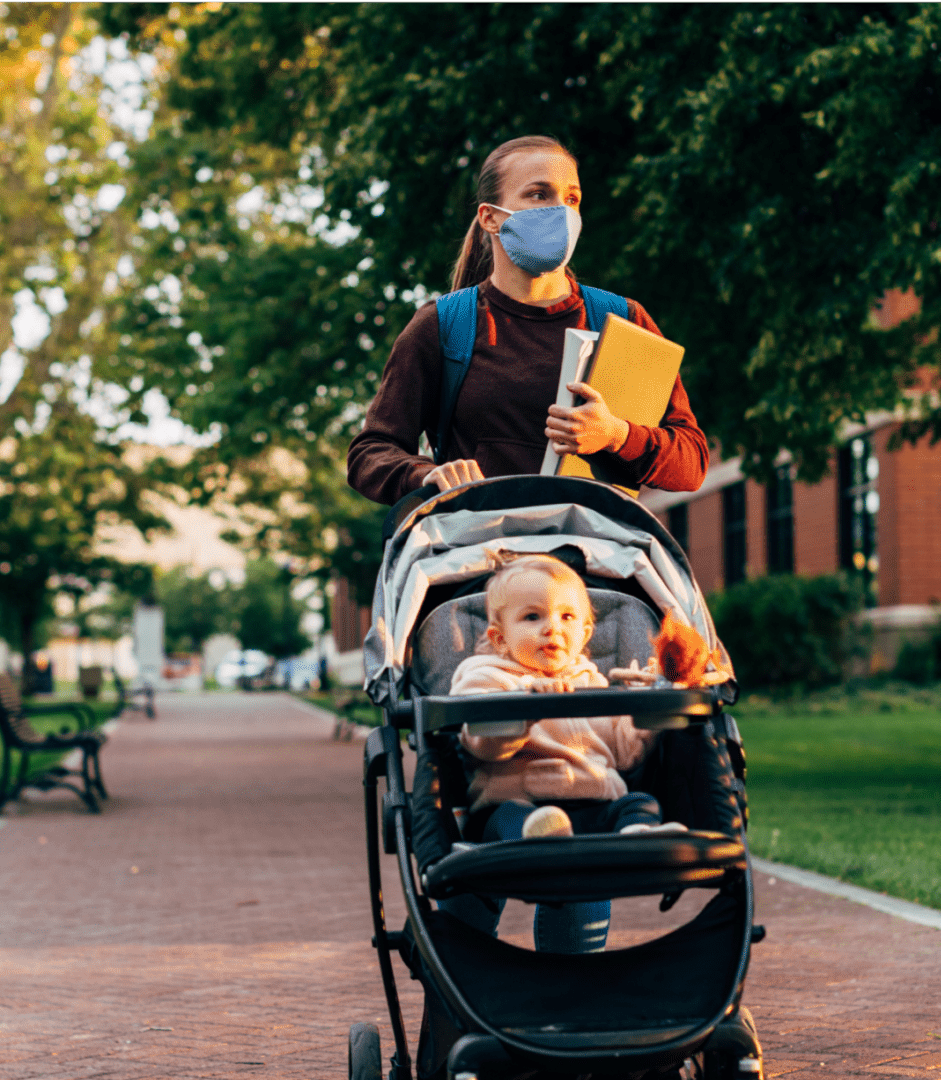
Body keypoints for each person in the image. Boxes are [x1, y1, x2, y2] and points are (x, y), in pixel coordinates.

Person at [347, 134, 709, 505]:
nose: (562, 212)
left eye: (571, 199)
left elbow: (692, 463)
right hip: (479, 545)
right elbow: (369, 453)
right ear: (490, 217)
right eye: (539, 195)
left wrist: (617, 434)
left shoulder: (623, 320)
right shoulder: (443, 326)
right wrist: (426, 474)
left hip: (597, 547)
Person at [443, 554, 683, 955]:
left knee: (638, 803)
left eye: (568, 617)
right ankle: (546, 841)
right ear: (500, 637)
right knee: (515, 818)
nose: (552, 627)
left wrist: (650, 708)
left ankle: (635, 840)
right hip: (516, 806)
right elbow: (480, 742)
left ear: (586, 633)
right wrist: (523, 708)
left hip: (592, 807)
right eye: (533, 617)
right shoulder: (484, 676)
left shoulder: (594, 684)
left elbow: (624, 753)